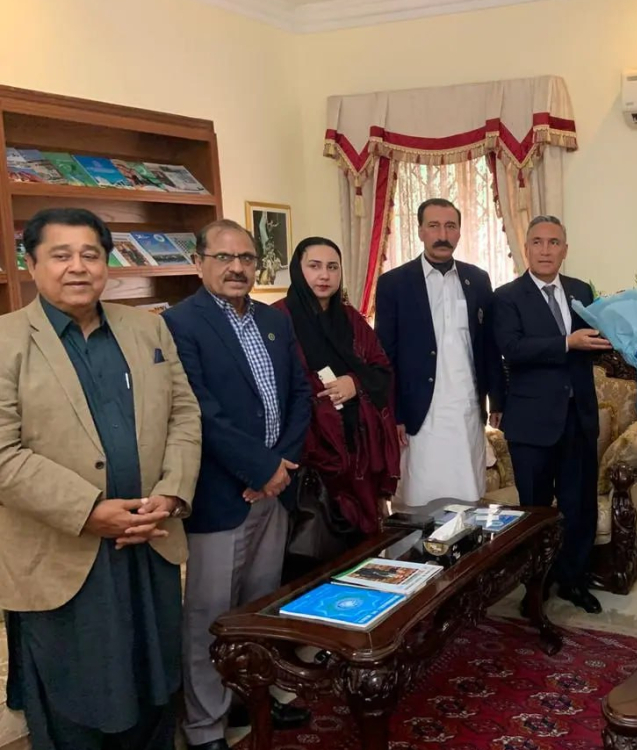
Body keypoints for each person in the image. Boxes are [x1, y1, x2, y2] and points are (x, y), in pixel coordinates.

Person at [0, 207, 201, 750]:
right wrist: (88, 511)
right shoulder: (6, 340)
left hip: (150, 539)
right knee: (78, 697)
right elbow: (2, 453)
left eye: (90, 254)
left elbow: (184, 414)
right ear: (32, 264)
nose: (78, 267)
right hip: (62, 553)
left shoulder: (148, 327)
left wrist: (172, 493)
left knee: (155, 682)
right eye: (61, 255)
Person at [163, 219, 312, 750]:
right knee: (210, 617)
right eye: (223, 257)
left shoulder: (273, 319)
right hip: (222, 494)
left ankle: (255, 699)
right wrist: (258, 470)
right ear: (199, 262)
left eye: (246, 258)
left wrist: (280, 466)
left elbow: (300, 394)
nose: (236, 268)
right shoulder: (180, 323)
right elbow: (200, 411)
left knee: (260, 608)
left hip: (275, 489)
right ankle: (206, 725)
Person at [492, 216, 610, 614]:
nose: (546, 250)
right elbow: (512, 349)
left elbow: (597, 341)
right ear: (526, 248)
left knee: (580, 506)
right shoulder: (506, 296)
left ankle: (574, 580)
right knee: (535, 511)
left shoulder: (581, 291)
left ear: (565, 249)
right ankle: (535, 587)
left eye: (554, 242)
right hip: (531, 423)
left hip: (579, 417)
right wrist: (566, 342)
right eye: (538, 242)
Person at [274, 236, 399, 580]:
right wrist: (319, 399)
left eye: (332, 267)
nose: (324, 275)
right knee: (308, 550)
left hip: (357, 454)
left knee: (360, 552)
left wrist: (354, 383)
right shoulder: (278, 319)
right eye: (314, 266)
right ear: (298, 270)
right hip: (307, 457)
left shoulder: (351, 319)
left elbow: (382, 370)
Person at [375, 198, 505, 509]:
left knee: (467, 496)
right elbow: (385, 355)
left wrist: (498, 399)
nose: (442, 235)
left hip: (465, 409)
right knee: (419, 498)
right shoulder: (394, 283)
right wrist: (393, 413)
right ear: (420, 231)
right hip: (418, 413)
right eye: (434, 226)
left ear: (459, 232)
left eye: (450, 226)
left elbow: (489, 345)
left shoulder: (478, 280)